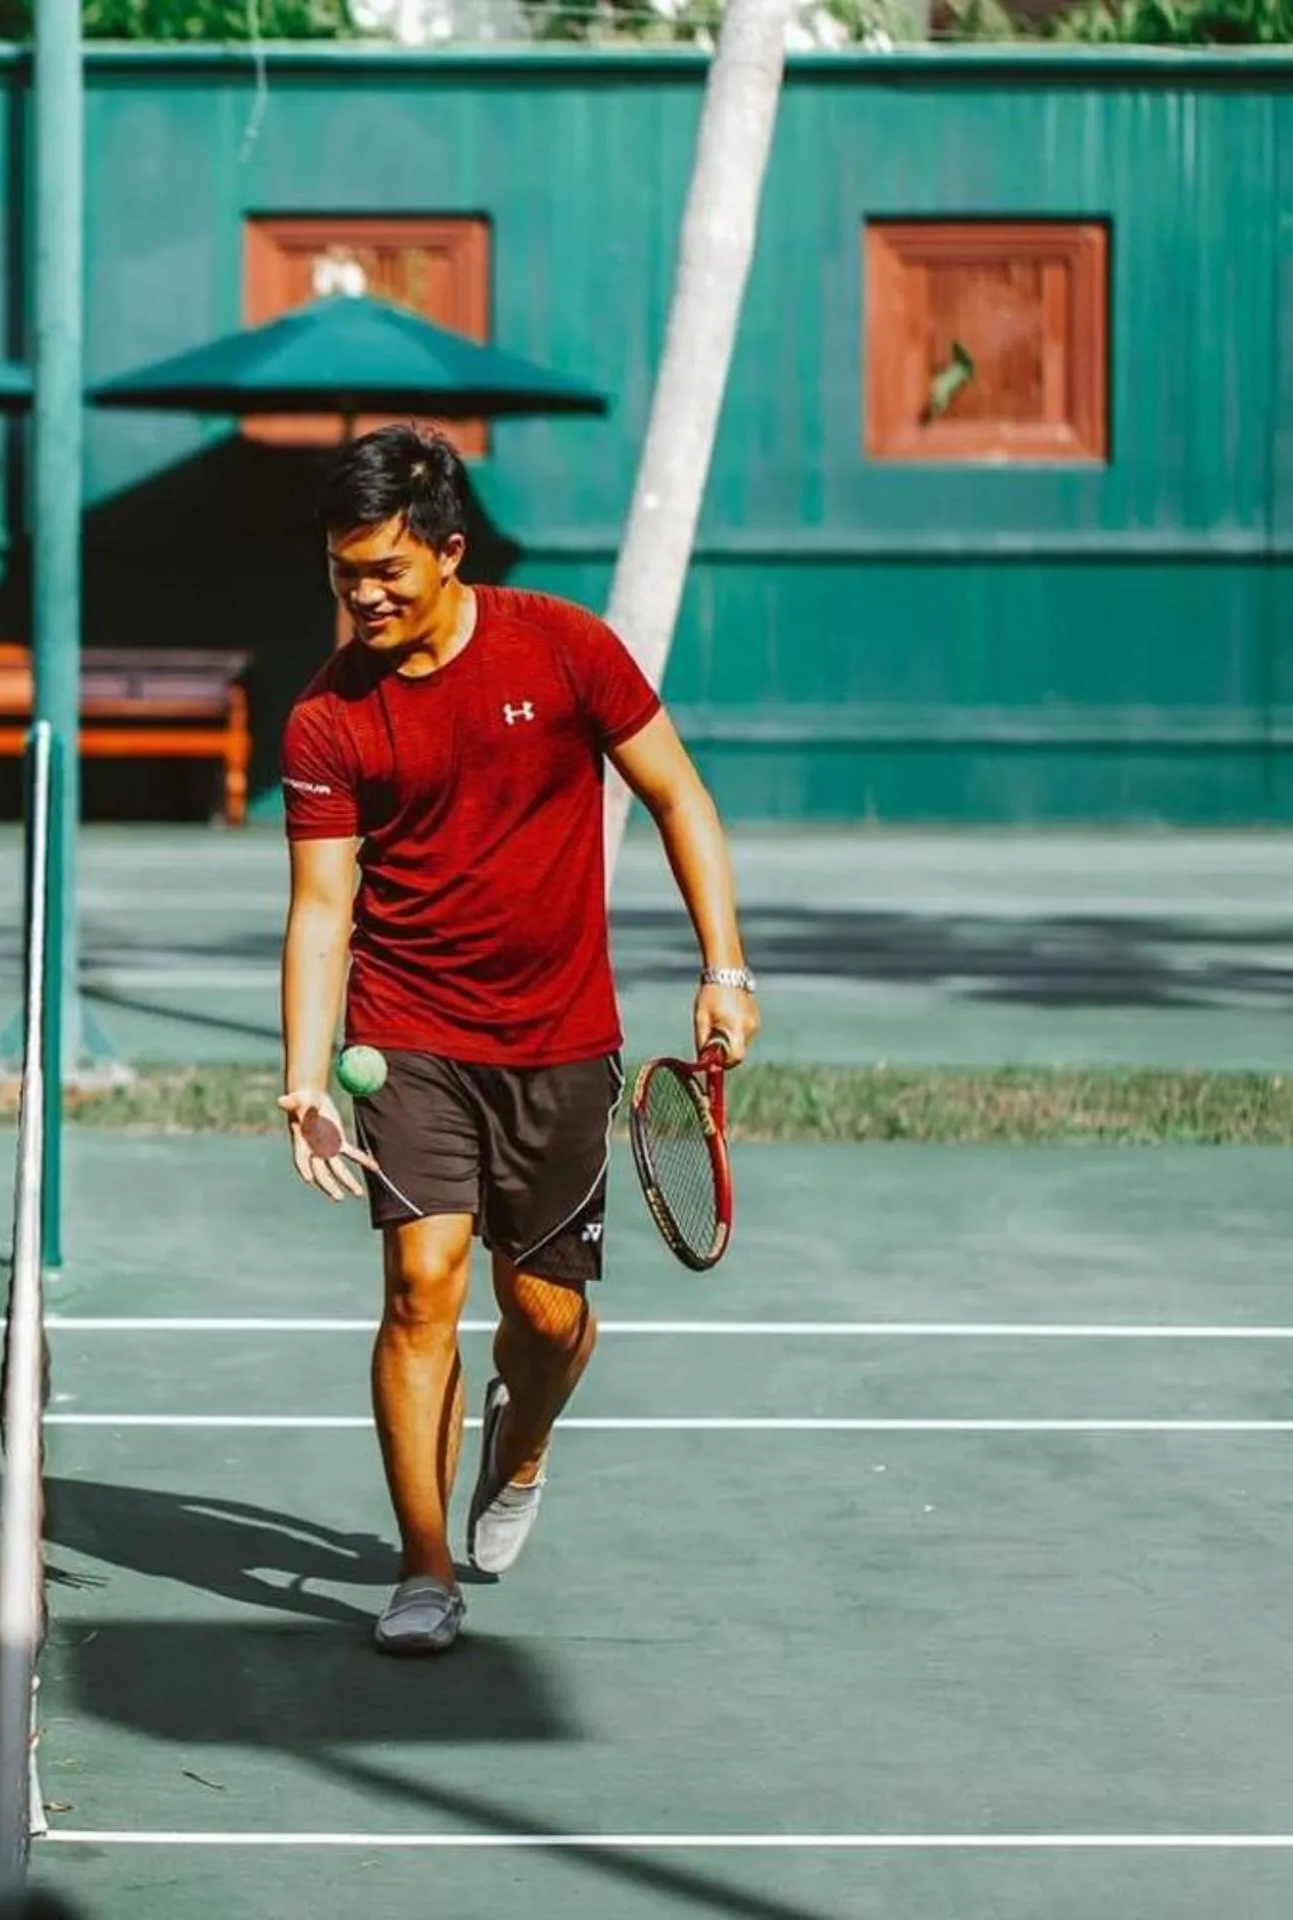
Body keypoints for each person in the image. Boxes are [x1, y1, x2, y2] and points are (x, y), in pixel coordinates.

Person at [275, 424, 757, 1656]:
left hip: (558, 1037)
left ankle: (522, 1441)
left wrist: (723, 968)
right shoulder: (327, 717)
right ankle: (423, 1568)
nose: (365, 597)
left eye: (386, 571)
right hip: (410, 1033)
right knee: (419, 1286)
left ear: (450, 552)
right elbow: (323, 908)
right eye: (344, 575)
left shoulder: (564, 647)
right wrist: (303, 1078)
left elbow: (677, 796)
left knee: (545, 1319)